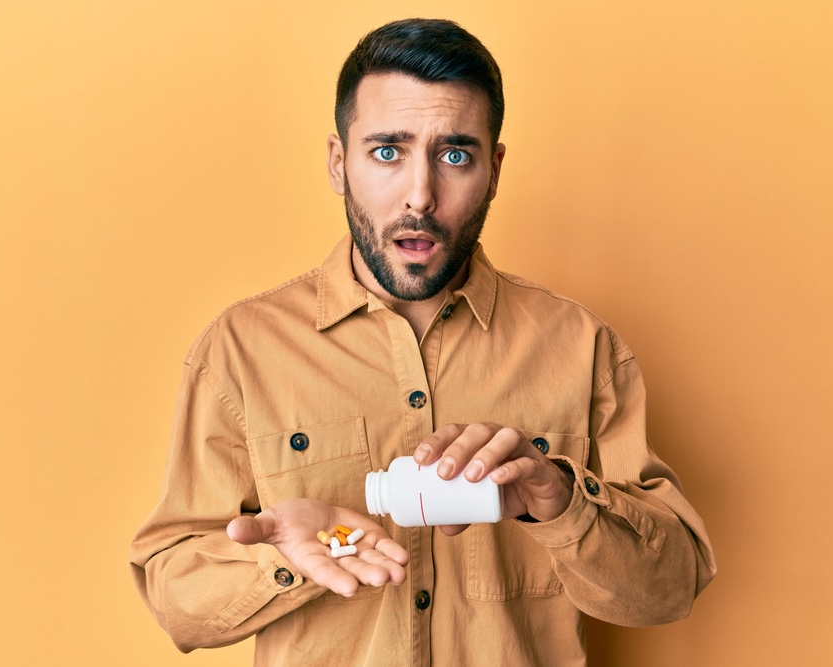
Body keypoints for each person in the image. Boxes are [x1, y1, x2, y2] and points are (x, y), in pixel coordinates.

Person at [130, 18, 716, 666]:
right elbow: (174, 593)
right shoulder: (240, 352)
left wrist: (560, 501)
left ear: (493, 170)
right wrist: (282, 561)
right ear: (337, 162)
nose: (421, 195)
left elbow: (671, 586)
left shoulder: (582, 348)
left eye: (455, 155)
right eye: (388, 151)